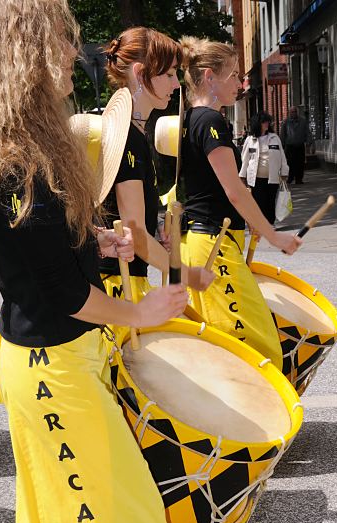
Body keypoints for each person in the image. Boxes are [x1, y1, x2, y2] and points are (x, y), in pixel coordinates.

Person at [0, 1, 189, 523]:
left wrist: (91, 237)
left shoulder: (28, 142)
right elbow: (60, 291)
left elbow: (39, 253)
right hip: (53, 370)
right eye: (59, 41)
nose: (73, 56)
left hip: (59, 365)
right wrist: (138, 311)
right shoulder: (13, 158)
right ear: (28, 51)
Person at [179, 36, 302, 370]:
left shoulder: (190, 119)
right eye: (233, 75)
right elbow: (234, 190)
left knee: (224, 344)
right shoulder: (210, 121)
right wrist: (275, 236)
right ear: (209, 77)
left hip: (204, 241)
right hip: (213, 244)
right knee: (258, 347)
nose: (241, 82)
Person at [100, 27, 213, 311]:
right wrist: (186, 274)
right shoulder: (127, 137)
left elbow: (135, 226)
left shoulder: (131, 132)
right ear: (140, 74)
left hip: (118, 283)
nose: (176, 84)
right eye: (169, 74)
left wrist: (153, 228)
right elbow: (133, 233)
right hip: (117, 286)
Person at [239, 111, 289, 225]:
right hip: (256, 178)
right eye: (264, 122)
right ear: (257, 124)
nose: (267, 124)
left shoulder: (274, 138)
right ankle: (261, 224)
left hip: (272, 177)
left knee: (270, 201)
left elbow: (282, 156)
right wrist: (242, 175)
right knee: (259, 202)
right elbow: (245, 159)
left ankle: (270, 223)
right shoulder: (250, 139)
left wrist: (284, 171)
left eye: (268, 122)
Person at [280, 106, 312, 184]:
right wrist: (282, 145)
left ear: (297, 112)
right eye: (292, 112)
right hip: (290, 146)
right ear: (289, 113)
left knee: (300, 163)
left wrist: (308, 143)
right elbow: (283, 134)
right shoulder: (286, 122)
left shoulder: (303, 121)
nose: (293, 113)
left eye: (295, 112)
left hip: (300, 145)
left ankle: (299, 179)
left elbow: (307, 132)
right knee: (290, 163)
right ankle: (290, 178)